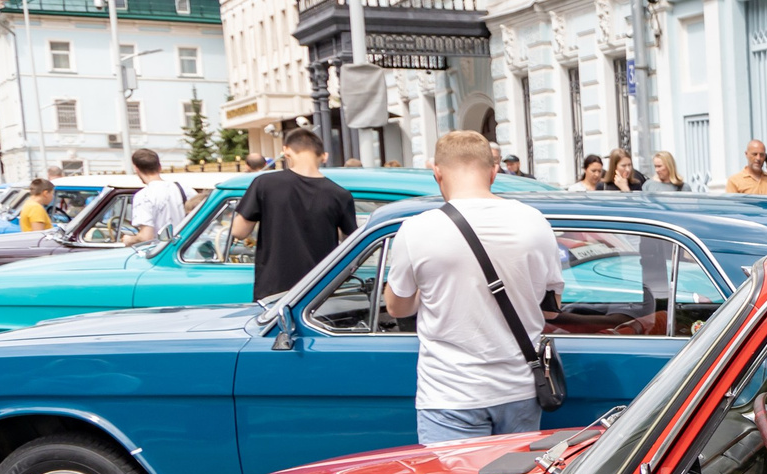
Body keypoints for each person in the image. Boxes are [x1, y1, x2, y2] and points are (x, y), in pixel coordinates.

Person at [382, 129, 564, 445]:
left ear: (436, 172)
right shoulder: (535, 222)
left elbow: (398, 308)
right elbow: (552, 304)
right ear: (494, 170)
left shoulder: (416, 230)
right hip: (519, 388)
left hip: (450, 392)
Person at [233, 127, 357, 301]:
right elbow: (350, 243)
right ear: (324, 156)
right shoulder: (340, 195)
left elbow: (239, 231)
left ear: (286, 151)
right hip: (320, 290)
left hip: (274, 290)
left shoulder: (265, 184)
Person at [128, 148, 189, 245]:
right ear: (159, 167)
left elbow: (146, 237)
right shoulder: (185, 189)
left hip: (160, 252)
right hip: (184, 249)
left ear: (136, 169)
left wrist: (129, 239)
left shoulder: (143, 196)